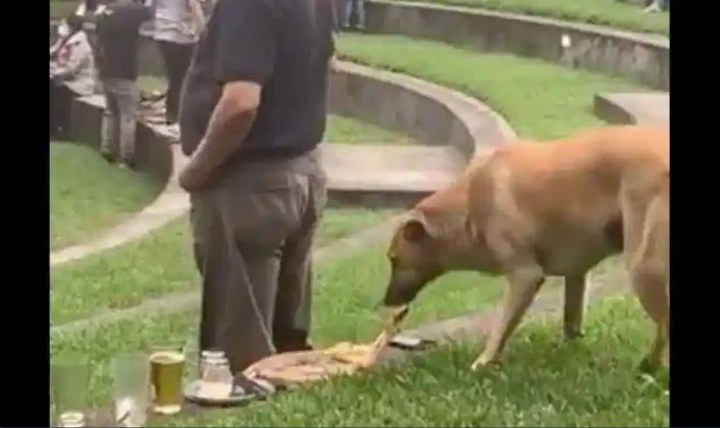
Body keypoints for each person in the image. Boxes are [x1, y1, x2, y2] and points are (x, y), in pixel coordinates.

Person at [178, 0, 335, 375]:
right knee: (286, 349)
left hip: (250, 186)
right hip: (298, 175)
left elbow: (240, 104)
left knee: (241, 364)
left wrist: (193, 172)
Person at [95, 0, 154, 168]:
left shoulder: (105, 13)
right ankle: (126, 159)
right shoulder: (133, 11)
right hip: (125, 71)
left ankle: (107, 150)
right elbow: (151, 11)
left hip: (106, 71)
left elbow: (98, 41)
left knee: (110, 112)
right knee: (128, 116)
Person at [152, 0, 204, 126]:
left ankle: (172, 114)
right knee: (185, 78)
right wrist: (203, 31)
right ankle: (181, 116)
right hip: (180, 36)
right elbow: (194, 6)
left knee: (175, 78)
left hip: (162, 32)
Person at [50, 14, 95, 82]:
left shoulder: (79, 44)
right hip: (66, 78)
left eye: (64, 25)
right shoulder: (64, 39)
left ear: (72, 27)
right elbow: (54, 51)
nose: (61, 27)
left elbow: (71, 68)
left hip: (78, 83)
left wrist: (54, 73)